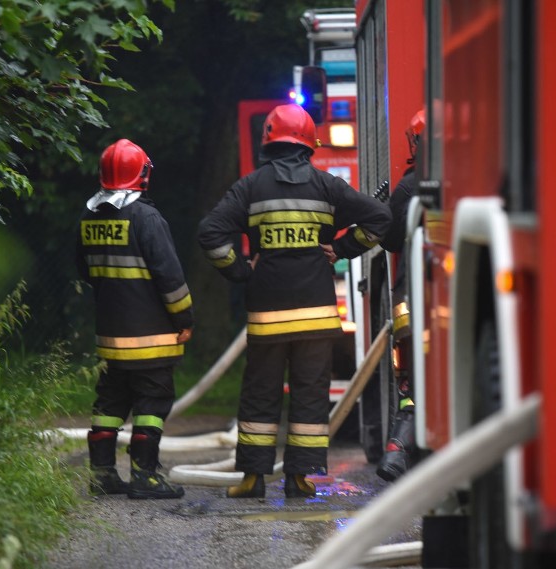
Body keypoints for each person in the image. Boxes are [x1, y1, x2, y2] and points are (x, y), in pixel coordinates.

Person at [197, 104, 391, 499]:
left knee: (260, 393)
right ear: (308, 142)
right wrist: (341, 248)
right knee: (310, 395)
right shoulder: (327, 186)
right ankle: (300, 478)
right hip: (317, 316)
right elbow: (381, 219)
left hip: (268, 315)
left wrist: (240, 271)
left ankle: (252, 479)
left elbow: (210, 233)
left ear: (269, 140)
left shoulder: (250, 187)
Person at [75, 138, 193, 499]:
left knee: (109, 404)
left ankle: (102, 475)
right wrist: (184, 318)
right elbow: (169, 278)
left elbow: (84, 271)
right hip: (151, 340)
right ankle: (145, 477)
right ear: (141, 174)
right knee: (152, 406)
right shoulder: (146, 217)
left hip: (111, 338)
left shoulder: (88, 216)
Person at [375, 109, 425, 482]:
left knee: (410, 383)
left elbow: (390, 239)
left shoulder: (409, 187)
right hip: (452, 306)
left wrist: (381, 207)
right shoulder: (470, 179)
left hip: (412, 301)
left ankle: (398, 452)